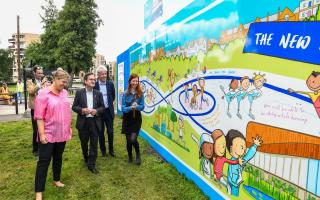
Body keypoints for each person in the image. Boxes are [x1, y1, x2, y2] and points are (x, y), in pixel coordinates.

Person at [33, 69, 72, 200]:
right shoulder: (43, 94)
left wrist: (68, 128)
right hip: (48, 133)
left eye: (66, 82)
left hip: (62, 133)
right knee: (43, 162)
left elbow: (66, 111)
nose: (64, 84)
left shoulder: (65, 93)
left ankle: (56, 179)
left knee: (58, 157)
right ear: (55, 79)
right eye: (62, 81)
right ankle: (39, 191)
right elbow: (39, 117)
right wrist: (42, 134)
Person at [72, 72, 105, 174]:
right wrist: (82, 110)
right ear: (85, 81)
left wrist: (97, 111)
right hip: (83, 122)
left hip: (95, 121)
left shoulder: (98, 93)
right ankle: (86, 157)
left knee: (94, 144)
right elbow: (74, 107)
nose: (93, 81)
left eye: (94, 79)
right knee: (84, 143)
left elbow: (102, 107)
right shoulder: (79, 93)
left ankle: (91, 164)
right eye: (90, 79)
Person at [225, 129, 262, 196]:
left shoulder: (241, 160)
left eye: (245, 148)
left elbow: (248, 155)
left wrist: (254, 146)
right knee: (229, 193)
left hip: (235, 184)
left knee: (234, 195)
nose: (244, 150)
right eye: (242, 147)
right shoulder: (234, 159)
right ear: (231, 149)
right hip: (230, 181)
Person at [121, 74, 145, 165]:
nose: (135, 83)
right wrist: (130, 108)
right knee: (128, 140)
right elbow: (123, 108)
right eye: (133, 81)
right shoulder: (125, 93)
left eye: (137, 81)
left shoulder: (140, 93)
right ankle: (130, 157)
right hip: (127, 118)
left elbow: (142, 107)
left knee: (133, 139)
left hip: (136, 119)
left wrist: (137, 106)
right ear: (130, 81)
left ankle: (138, 154)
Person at [94, 66, 116, 157]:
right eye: (102, 74)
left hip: (108, 111)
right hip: (99, 112)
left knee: (110, 131)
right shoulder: (95, 85)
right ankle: (103, 150)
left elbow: (113, 96)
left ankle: (111, 150)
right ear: (98, 75)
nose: (104, 76)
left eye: (105, 74)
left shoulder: (110, 84)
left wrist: (110, 104)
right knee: (100, 132)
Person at [27, 65, 46, 156]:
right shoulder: (29, 81)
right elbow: (31, 91)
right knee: (36, 129)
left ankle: (43, 146)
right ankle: (35, 149)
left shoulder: (45, 81)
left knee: (44, 128)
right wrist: (39, 85)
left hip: (44, 108)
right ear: (34, 73)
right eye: (39, 73)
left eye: (42, 73)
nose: (40, 75)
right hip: (35, 109)